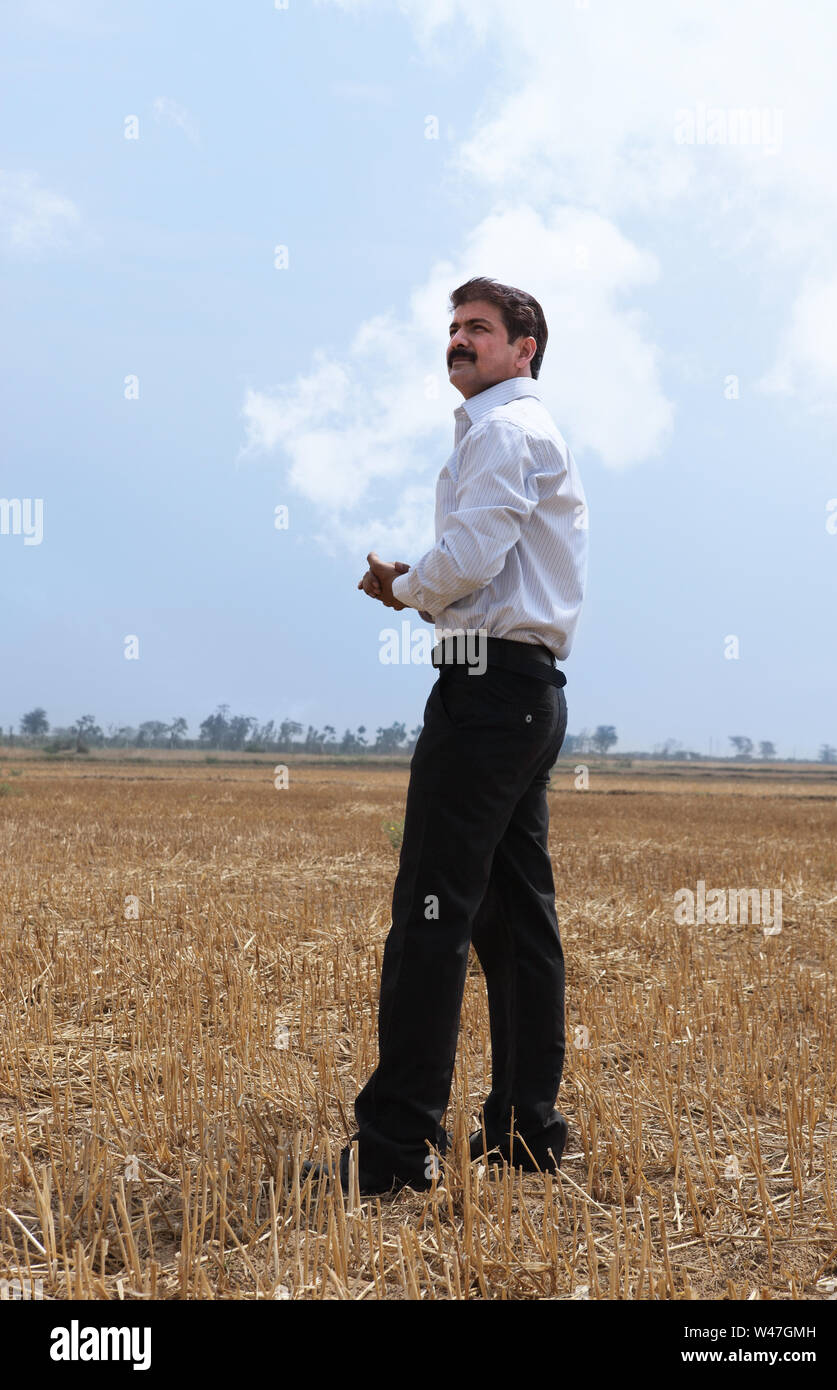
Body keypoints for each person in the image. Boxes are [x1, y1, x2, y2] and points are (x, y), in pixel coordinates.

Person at [303, 276, 588, 1196]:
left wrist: (402, 586)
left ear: (524, 349)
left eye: (480, 329)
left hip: (488, 693)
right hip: (525, 692)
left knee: (429, 917)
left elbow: (471, 557)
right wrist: (426, 585)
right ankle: (525, 1130)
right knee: (515, 922)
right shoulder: (512, 431)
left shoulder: (506, 431)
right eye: (455, 328)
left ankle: (391, 1154)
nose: (460, 341)